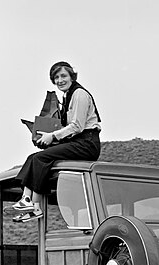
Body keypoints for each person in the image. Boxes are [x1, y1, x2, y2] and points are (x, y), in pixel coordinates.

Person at [13, 61, 102, 222]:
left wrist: (52, 136)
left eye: (63, 76)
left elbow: (77, 126)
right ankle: (31, 203)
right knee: (35, 157)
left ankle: (31, 203)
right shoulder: (67, 96)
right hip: (76, 141)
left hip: (86, 143)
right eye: (56, 77)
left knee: (41, 158)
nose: (60, 80)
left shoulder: (79, 94)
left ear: (72, 77)